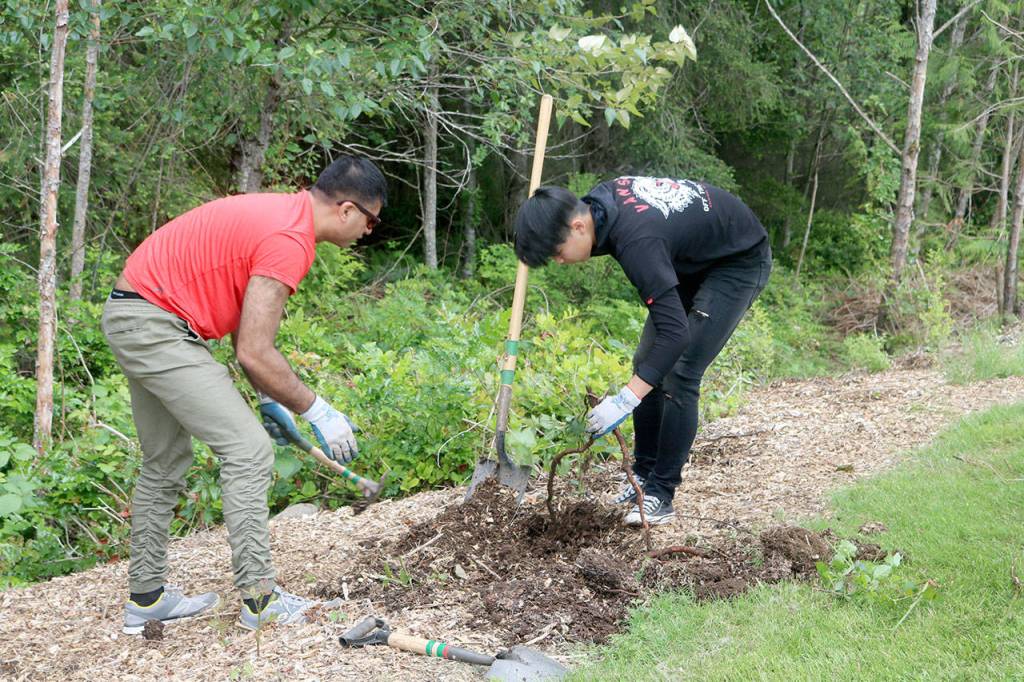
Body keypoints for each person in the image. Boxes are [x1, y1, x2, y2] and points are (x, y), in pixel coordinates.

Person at [101, 156, 386, 634]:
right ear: (346, 210)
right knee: (249, 452)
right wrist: (318, 410)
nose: (368, 231)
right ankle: (260, 600)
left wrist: (270, 400)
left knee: (165, 459)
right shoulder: (290, 239)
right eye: (371, 221)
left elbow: (244, 330)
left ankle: (146, 600)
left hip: (133, 314)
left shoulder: (281, 215)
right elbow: (255, 351)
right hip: (157, 325)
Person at [514, 176, 771, 526]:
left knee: (680, 371)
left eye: (557, 252)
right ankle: (643, 476)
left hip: (737, 259)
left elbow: (676, 336)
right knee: (647, 364)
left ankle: (661, 494)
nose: (559, 261)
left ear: (578, 227)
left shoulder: (637, 241)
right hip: (693, 257)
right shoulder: (597, 207)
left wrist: (624, 400)